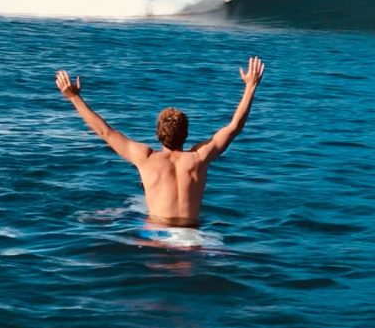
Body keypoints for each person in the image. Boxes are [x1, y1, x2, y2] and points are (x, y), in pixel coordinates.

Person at [55, 56, 264, 227]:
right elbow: (235, 126)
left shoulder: (146, 158)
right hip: (192, 235)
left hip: (156, 233)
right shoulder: (199, 158)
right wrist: (250, 87)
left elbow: (105, 132)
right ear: (186, 134)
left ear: (158, 134)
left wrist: (74, 97)